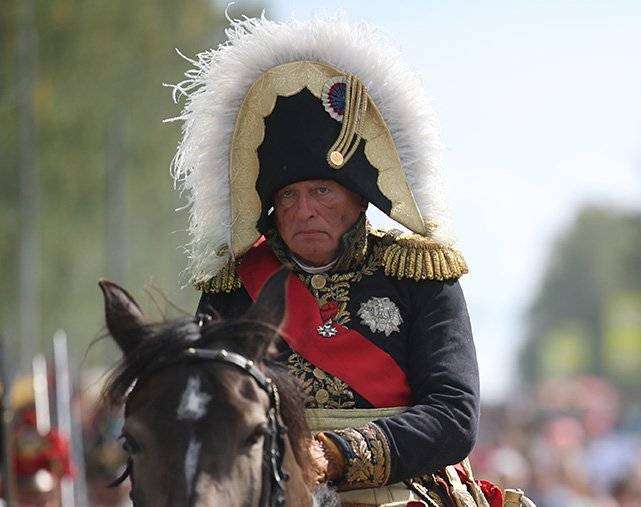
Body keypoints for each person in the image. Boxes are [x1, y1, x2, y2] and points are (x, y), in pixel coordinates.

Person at [169, 14, 526, 506]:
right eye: (289, 196)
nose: (304, 209)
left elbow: (453, 414)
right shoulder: (233, 288)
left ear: (359, 198)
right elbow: (200, 406)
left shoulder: (419, 274)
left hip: (401, 488)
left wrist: (336, 454)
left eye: (321, 190)